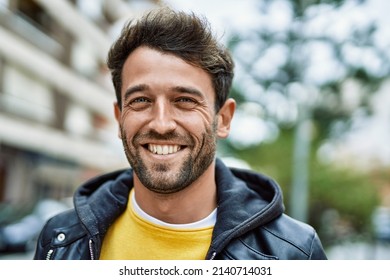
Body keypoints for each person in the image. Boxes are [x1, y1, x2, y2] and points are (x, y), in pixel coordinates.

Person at [33, 7, 327, 260]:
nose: (161, 124)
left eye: (185, 101)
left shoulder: (294, 254)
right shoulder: (59, 242)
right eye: (141, 101)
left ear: (223, 119)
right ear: (119, 117)